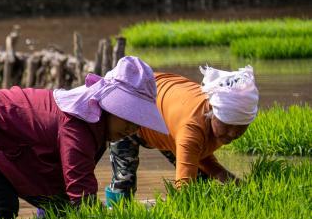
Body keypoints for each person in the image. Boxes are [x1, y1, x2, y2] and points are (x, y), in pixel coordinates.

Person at [0, 56, 168, 219]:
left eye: (137, 120)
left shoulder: (95, 122)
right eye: (129, 117)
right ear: (110, 106)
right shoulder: (79, 126)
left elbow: (67, 190)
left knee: (57, 204)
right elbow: (82, 197)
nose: (133, 128)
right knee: (2, 207)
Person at [106, 65, 258, 203]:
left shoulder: (210, 122)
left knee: (201, 182)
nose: (232, 134)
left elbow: (201, 155)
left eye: (240, 128)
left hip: (167, 120)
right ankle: (113, 217)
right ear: (212, 112)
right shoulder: (192, 127)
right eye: (226, 125)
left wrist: (236, 183)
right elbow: (184, 189)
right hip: (131, 112)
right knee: (124, 182)